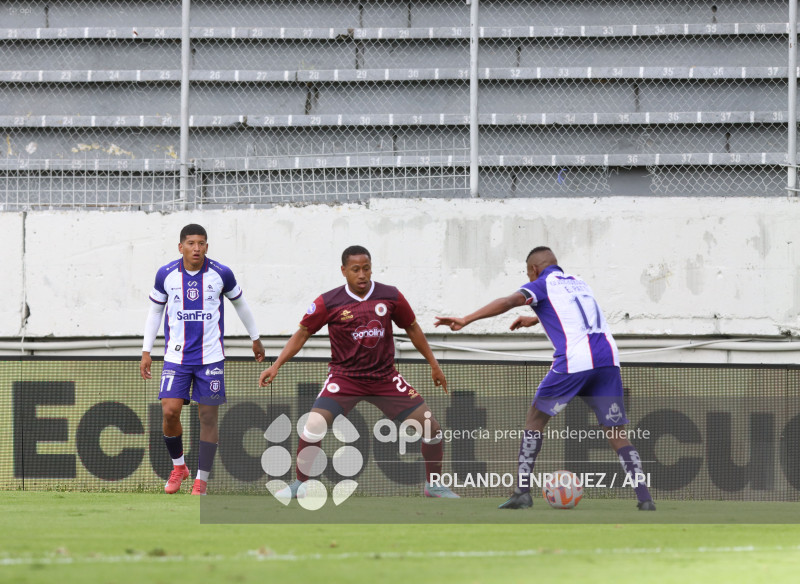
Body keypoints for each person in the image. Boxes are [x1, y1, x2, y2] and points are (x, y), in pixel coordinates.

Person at [434, 246, 655, 510]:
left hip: (575, 361)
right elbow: (574, 313)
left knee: (536, 418)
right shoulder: (579, 283)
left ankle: (522, 493)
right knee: (617, 432)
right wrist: (535, 319)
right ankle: (645, 499)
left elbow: (508, 302)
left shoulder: (541, 284)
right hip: (608, 360)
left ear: (533, 270)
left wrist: (466, 319)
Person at [259, 245, 458, 498]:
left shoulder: (391, 296)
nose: (362, 274)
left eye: (366, 268)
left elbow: (412, 328)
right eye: (355, 270)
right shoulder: (328, 302)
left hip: (384, 378)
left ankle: (434, 486)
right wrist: (275, 366)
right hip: (345, 378)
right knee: (313, 425)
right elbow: (302, 334)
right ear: (344, 271)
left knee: (432, 429)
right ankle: (301, 484)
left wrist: (434, 364)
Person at [140, 224, 265, 495]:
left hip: (211, 359)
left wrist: (255, 337)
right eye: (191, 243)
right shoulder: (166, 274)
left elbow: (240, 304)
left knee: (207, 417)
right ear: (181, 246)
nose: (197, 248)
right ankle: (179, 467)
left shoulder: (221, 273)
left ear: (207, 246)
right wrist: (146, 351)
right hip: (176, 357)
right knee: (170, 411)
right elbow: (155, 312)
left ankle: (201, 481)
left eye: (202, 243)